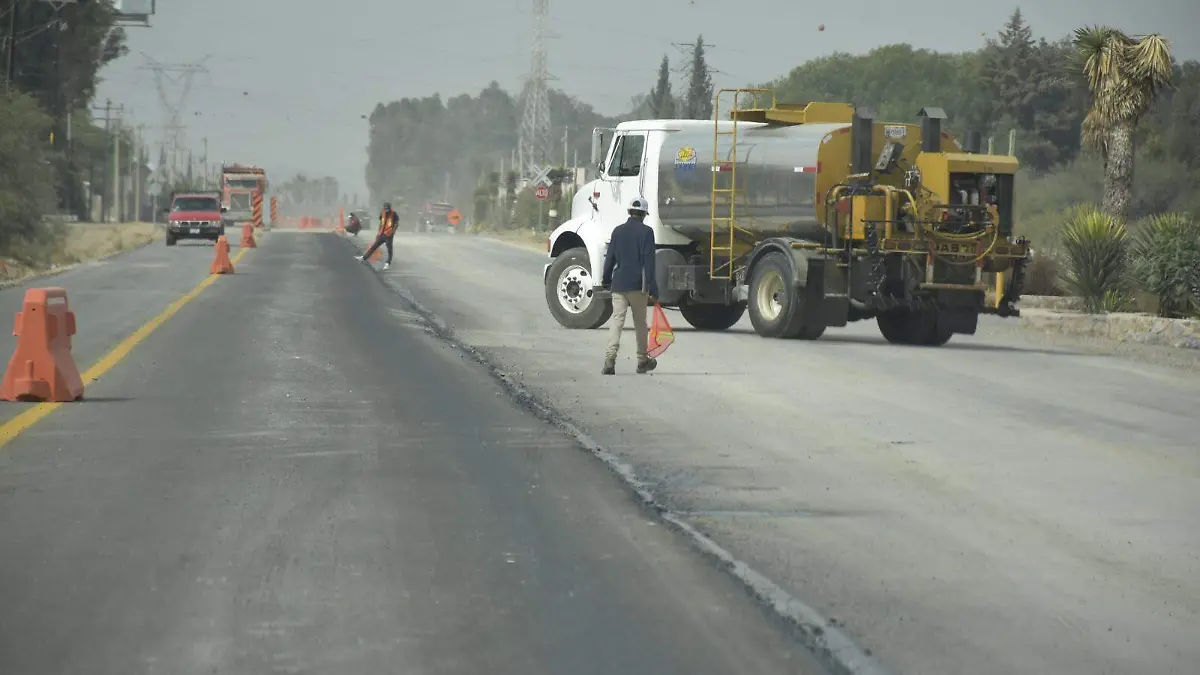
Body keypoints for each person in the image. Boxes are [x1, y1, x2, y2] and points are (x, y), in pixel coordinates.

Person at [600, 196, 659, 375]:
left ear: (629, 212)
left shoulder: (617, 231)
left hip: (618, 283)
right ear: (644, 214)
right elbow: (649, 262)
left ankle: (610, 360)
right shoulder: (647, 232)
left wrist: (605, 279)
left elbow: (609, 257)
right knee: (640, 323)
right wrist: (653, 287)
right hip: (638, 285)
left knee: (617, 321)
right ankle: (642, 361)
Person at [356, 201, 398, 269]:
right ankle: (364, 258)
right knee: (373, 247)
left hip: (388, 235)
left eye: (388, 209)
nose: (386, 210)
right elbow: (381, 223)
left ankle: (387, 263)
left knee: (389, 250)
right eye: (385, 208)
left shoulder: (394, 214)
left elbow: (396, 224)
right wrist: (378, 233)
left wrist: (392, 231)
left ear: (390, 208)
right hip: (381, 234)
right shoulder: (382, 213)